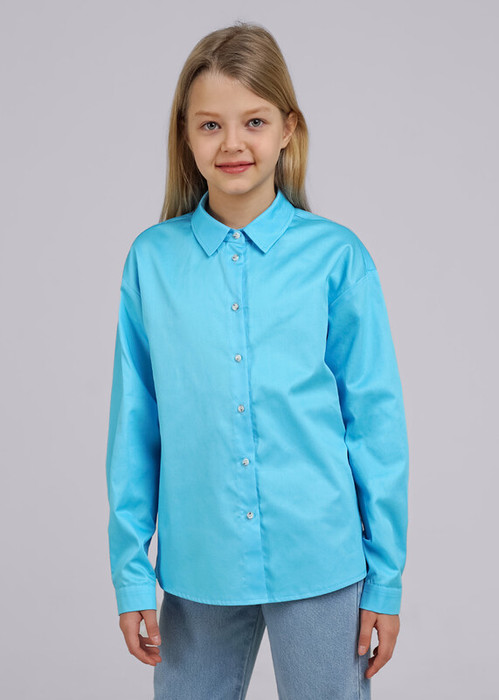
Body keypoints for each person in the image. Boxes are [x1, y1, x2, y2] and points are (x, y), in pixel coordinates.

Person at [105, 20, 409, 700]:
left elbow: (374, 423)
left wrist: (384, 581)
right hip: (199, 566)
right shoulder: (152, 262)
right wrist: (131, 573)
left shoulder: (337, 258)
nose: (233, 143)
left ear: (287, 129)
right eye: (210, 125)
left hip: (321, 559)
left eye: (254, 121)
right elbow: (134, 427)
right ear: (185, 136)